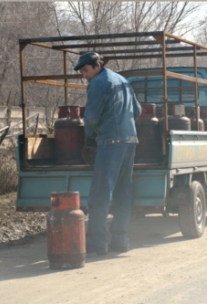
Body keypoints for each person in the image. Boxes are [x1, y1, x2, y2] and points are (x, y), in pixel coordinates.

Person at [74, 52, 141, 255]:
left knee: (100, 194)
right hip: (130, 142)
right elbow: (137, 111)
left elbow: (92, 117)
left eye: (86, 70)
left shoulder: (98, 83)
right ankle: (120, 240)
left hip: (111, 142)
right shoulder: (122, 80)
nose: (84, 75)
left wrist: (90, 138)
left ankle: (97, 242)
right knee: (123, 192)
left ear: (96, 65)